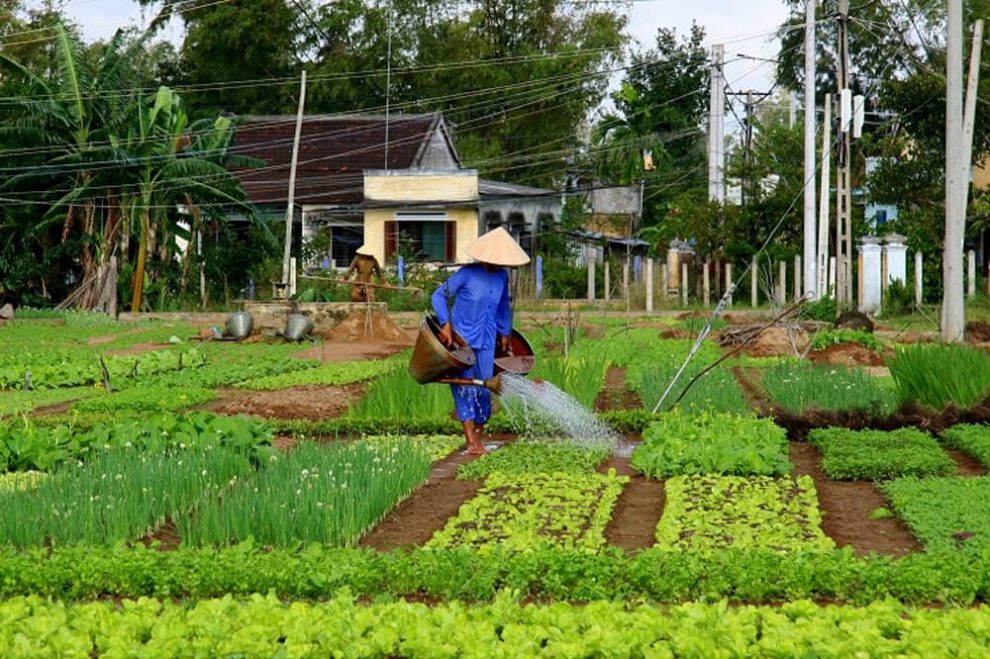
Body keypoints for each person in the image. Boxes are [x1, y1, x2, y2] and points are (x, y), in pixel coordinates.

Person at [430, 227, 530, 454]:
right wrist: (445, 323)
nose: (498, 264)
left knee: (485, 388)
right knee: (464, 389)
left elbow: (503, 306)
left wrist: (505, 333)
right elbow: (438, 295)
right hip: (461, 343)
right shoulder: (466, 274)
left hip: (487, 341)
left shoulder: (502, 276)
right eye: (495, 260)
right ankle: (471, 442)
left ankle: (478, 438)